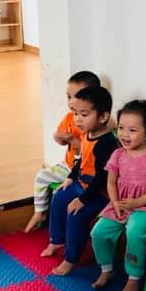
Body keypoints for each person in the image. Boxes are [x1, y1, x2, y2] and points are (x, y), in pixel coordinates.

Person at [90, 100, 146, 291]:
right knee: (98, 232)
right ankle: (106, 269)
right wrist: (115, 202)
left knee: (134, 231)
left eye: (132, 130)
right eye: (121, 128)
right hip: (120, 204)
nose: (125, 134)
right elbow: (111, 182)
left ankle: (134, 276)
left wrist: (137, 203)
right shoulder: (117, 154)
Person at [42, 85, 116, 276]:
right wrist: (70, 177)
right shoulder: (86, 134)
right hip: (81, 184)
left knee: (76, 214)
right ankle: (57, 240)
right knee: (59, 197)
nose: (77, 119)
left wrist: (82, 200)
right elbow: (81, 159)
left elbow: (102, 178)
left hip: (99, 193)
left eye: (84, 114)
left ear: (103, 117)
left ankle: (70, 259)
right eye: (75, 113)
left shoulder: (106, 143)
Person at [24, 70, 101, 232]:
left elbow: (87, 149)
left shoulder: (93, 123)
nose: (71, 102)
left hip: (83, 170)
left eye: (76, 96)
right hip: (68, 165)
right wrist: (59, 138)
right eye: (68, 97)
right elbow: (59, 136)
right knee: (41, 176)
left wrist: (72, 139)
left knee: (60, 192)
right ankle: (40, 212)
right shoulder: (69, 117)